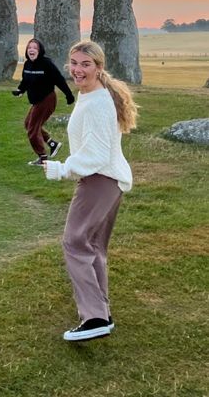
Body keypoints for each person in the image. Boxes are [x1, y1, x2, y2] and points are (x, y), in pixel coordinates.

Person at [42, 40, 138, 342]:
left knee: (74, 243)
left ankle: (94, 317)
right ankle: (102, 314)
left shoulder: (97, 102)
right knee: (93, 247)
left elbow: (96, 155)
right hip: (109, 181)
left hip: (99, 180)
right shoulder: (93, 96)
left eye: (86, 64)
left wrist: (62, 168)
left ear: (99, 68)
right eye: (74, 62)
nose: (77, 70)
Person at [12, 38, 75, 166]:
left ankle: (43, 157)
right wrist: (20, 90)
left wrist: (69, 95)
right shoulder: (27, 64)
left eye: (35, 48)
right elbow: (26, 81)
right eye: (29, 48)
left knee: (32, 130)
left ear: (39, 50)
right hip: (36, 101)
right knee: (28, 124)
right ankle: (53, 144)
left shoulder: (46, 64)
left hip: (47, 99)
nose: (32, 50)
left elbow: (59, 80)